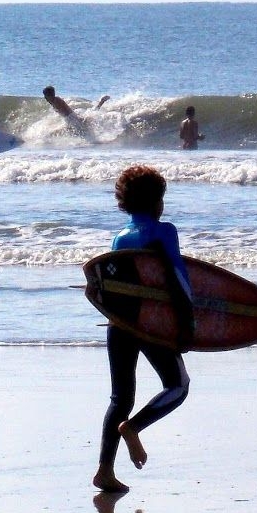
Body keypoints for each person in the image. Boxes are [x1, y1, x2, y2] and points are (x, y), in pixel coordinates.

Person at [93, 165, 194, 493]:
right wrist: (186, 324)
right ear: (156, 202)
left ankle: (104, 471)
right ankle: (133, 428)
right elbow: (178, 280)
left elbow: (110, 285)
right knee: (178, 385)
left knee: (120, 397)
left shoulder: (120, 237)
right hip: (148, 324)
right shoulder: (164, 232)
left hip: (118, 323)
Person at [44, 85, 109, 120]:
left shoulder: (56, 101)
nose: (45, 97)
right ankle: (101, 102)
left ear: (50, 95)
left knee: (91, 117)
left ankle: (102, 101)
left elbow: (66, 112)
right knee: (90, 115)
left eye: (45, 95)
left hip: (73, 118)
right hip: (72, 117)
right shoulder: (53, 100)